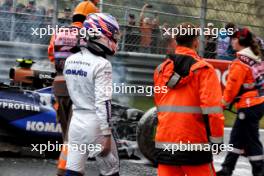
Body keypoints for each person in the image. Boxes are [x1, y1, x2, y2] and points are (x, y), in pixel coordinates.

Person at [153, 22, 224, 176]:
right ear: (196, 42)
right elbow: (213, 110)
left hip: (166, 143)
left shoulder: (160, 70)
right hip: (195, 145)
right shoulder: (205, 70)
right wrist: (217, 141)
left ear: (176, 40)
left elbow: (159, 106)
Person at [63, 13, 120, 176]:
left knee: (73, 170)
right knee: (110, 171)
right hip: (95, 124)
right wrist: (106, 133)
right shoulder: (103, 64)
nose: (115, 40)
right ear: (100, 34)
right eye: (113, 36)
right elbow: (104, 102)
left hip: (76, 121)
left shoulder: (70, 59)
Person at [47, 1, 98, 176]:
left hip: (59, 85)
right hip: (78, 88)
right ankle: (67, 170)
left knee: (67, 132)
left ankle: (68, 167)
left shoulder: (59, 33)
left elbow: (52, 56)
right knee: (75, 134)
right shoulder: (88, 35)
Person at [217, 28, 264, 176]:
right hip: (255, 104)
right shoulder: (254, 57)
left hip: (250, 105)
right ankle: (227, 168)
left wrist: (222, 105)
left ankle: (259, 171)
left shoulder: (240, 62)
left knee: (251, 140)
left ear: (240, 41)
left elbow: (231, 89)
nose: (231, 41)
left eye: (234, 38)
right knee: (236, 137)